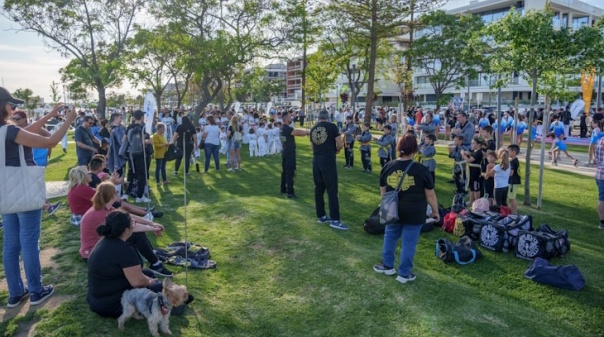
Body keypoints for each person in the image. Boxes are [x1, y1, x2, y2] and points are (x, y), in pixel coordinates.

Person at [1, 88, 76, 308]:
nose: (13, 109)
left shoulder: (7, 131)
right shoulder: (9, 131)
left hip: (5, 195)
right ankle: (35, 290)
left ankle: (15, 293)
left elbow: (25, 132)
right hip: (24, 192)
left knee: (11, 245)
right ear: (2, 105)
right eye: (11, 105)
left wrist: (50, 116)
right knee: (29, 242)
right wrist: (68, 121)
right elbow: (50, 141)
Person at [87, 210, 188, 318]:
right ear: (126, 230)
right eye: (133, 222)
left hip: (99, 297)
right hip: (113, 304)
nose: (135, 222)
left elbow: (133, 274)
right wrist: (150, 282)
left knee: (148, 273)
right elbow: (138, 283)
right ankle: (165, 307)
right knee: (183, 296)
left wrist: (152, 227)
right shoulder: (124, 250)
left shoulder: (106, 240)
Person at [373, 134, 439, 284]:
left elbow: (383, 190)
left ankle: (387, 265)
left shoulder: (387, 166)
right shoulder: (421, 169)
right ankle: (404, 273)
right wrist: (435, 211)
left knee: (390, 236)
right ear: (414, 149)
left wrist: (386, 205)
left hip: (392, 208)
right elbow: (430, 195)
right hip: (414, 211)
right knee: (409, 242)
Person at [80, 182, 172, 277]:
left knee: (137, 234)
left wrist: (151, 223)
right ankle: (155, 263)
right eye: (116, 192)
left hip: (101, 246)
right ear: (113, 196)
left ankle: (153, 259)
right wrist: (153, 228)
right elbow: (131, 226)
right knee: (136, 234)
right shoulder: (101, 213)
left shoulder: (105, 207)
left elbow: (127, 216)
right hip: (93, 254)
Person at [310, 110, 347, 230]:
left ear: (319, 117)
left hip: (316, 160)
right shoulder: (332, 127)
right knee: (332, 190)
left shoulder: (313, 128)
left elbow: (312, 147)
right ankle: (335, 220)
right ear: (327, 117)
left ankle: (321, 216)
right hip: (328, 160)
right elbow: (340, 143)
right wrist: (336, 150)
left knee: (319, 189)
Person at [280, 112, 310, 199]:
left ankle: (283, 189)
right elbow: (297, 132)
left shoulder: (282, 128)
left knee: (285, 171)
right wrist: (307, 132)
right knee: (290, 172)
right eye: (290, 117)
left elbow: (295, 130)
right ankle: (290, 192)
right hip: (289, 153)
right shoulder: (286, 128)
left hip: (285, 151)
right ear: (286, 119)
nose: (291, 118)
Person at [125, 110, 152, 203]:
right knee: (142, 174)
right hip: (141, 153)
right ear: (141, 117)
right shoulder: (142, 127)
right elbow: (143, 141)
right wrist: (149, 141)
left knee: (131, 172)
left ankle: (127, 193)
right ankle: (139, 196)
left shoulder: (129, 126)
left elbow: (124, 139)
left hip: (131, 152)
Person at [462, 137, 484, 205]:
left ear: (478, 145)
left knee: (476, 188)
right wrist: (466, 153)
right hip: (471, 172)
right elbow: (469, 154)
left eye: (473, 143)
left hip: (476, 172)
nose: (472, 145)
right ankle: (471, 201)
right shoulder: (473, 152)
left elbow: (469, 160)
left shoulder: (479, 153)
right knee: (471, 187)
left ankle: (477, 202)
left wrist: (463, 154)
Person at [507, 144, 521, 214]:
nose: (508, 153)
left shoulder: (512, 161)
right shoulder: (516, 160)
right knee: (511, 197)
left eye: (509, 151)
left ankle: (514, 212)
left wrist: (506, 175)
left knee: (512, 198)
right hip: (515, 181)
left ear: (514, 152)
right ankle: (511, 210)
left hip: (513, 181)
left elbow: (511, 172)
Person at [594, 135, 604, 229]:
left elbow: (596, 158)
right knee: (602, 199)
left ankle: (602, 222)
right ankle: (602, 223)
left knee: (602, 198)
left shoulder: (600, 141)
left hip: (599, 173)